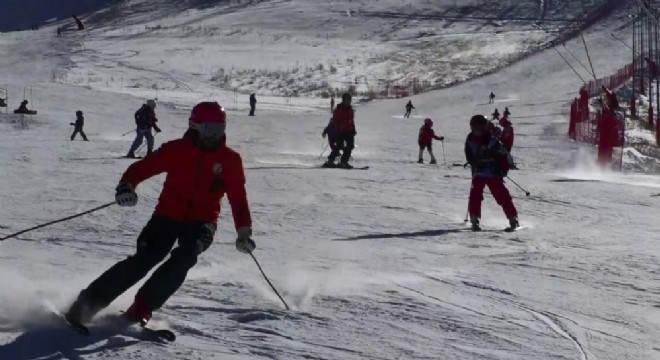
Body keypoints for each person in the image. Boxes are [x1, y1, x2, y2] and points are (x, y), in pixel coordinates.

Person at [64, 102, 255, 326]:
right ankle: (86, 305)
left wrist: (243, 232)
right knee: (145, 259)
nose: (214, 136)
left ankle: (143, 307)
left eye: (219, 129)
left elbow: (238, 198)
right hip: (167, 215)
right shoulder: (176, 150)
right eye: (209, 129)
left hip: (203, 221)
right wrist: (127, 186)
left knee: (185, 257)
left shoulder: (230, 160)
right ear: (195, 126)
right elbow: (141, 168)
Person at [465, 115, 518, 232]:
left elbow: (502, 154)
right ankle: (474, 218)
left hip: (492, 172)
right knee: (475, 195)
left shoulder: (491, 140)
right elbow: (469, 156)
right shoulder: (470, 140)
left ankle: (512, 218)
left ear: (484, 127)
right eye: (475, 128)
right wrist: (475, 163)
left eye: (480, 127)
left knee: (501, 195)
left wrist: (503, 169)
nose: (478, 131)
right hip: (479, 172)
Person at [324, 93, 356, 169]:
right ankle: (330, 160)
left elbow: (351, 121)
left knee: (350, 146)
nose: (348, 101)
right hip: (340, 131)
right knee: (339, 146)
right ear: (343, 100)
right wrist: (339, 127)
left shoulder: (350, 110)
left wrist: (353, 129)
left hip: (349, 131)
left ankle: (344, 162)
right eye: (347, 100)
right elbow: (335, 120)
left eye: (349, 100)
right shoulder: (339, 109)